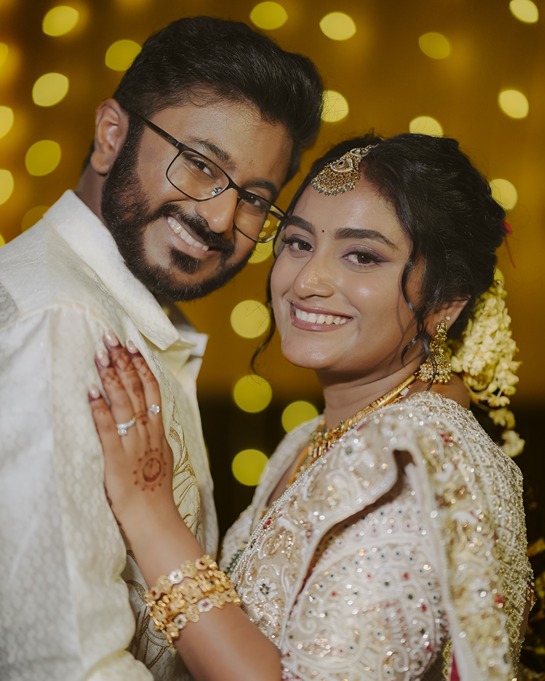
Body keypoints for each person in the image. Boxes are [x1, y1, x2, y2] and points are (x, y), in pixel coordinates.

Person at [89, 132, 533, 681]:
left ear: (444, 303)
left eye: (362, 256)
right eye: (298, 243)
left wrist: (150, 513)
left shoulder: (419, 466)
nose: (306, 281)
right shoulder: (311, 438)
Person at [0, 16, 323, 681]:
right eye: (200, 165)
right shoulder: (65, 322)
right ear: (110, 135)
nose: (219, 217)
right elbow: (65, 661)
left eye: (253, 199)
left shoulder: (114, 311)